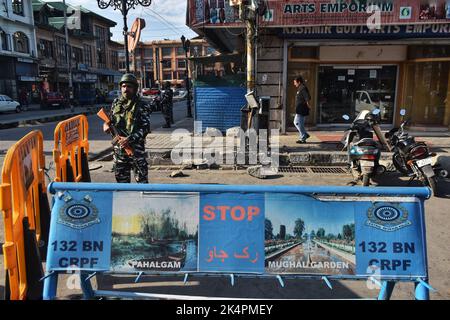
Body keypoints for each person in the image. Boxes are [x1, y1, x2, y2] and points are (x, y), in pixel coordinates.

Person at [103, 73, 151, 183]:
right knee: (122, 187)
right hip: (119, 152)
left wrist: (129, 139)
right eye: (123, 86)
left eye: (129, 86)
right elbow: (110, 121)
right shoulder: (116, 103)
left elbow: (145, 129)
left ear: (135, 88)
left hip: (135, 152)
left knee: (142, 186)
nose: (126, 89)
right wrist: (106, 126)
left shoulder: (142, 105)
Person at [293, 75, 312, 144]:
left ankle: (303, 136)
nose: (294, 84)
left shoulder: (303, 88)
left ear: (299, 82)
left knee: (297, 123)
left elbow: (307, 98)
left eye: (295, 82)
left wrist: (308, 105)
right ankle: (304, 135)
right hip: (300, 109)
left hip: (302, 109)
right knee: (299, 123)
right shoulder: (300, 88)